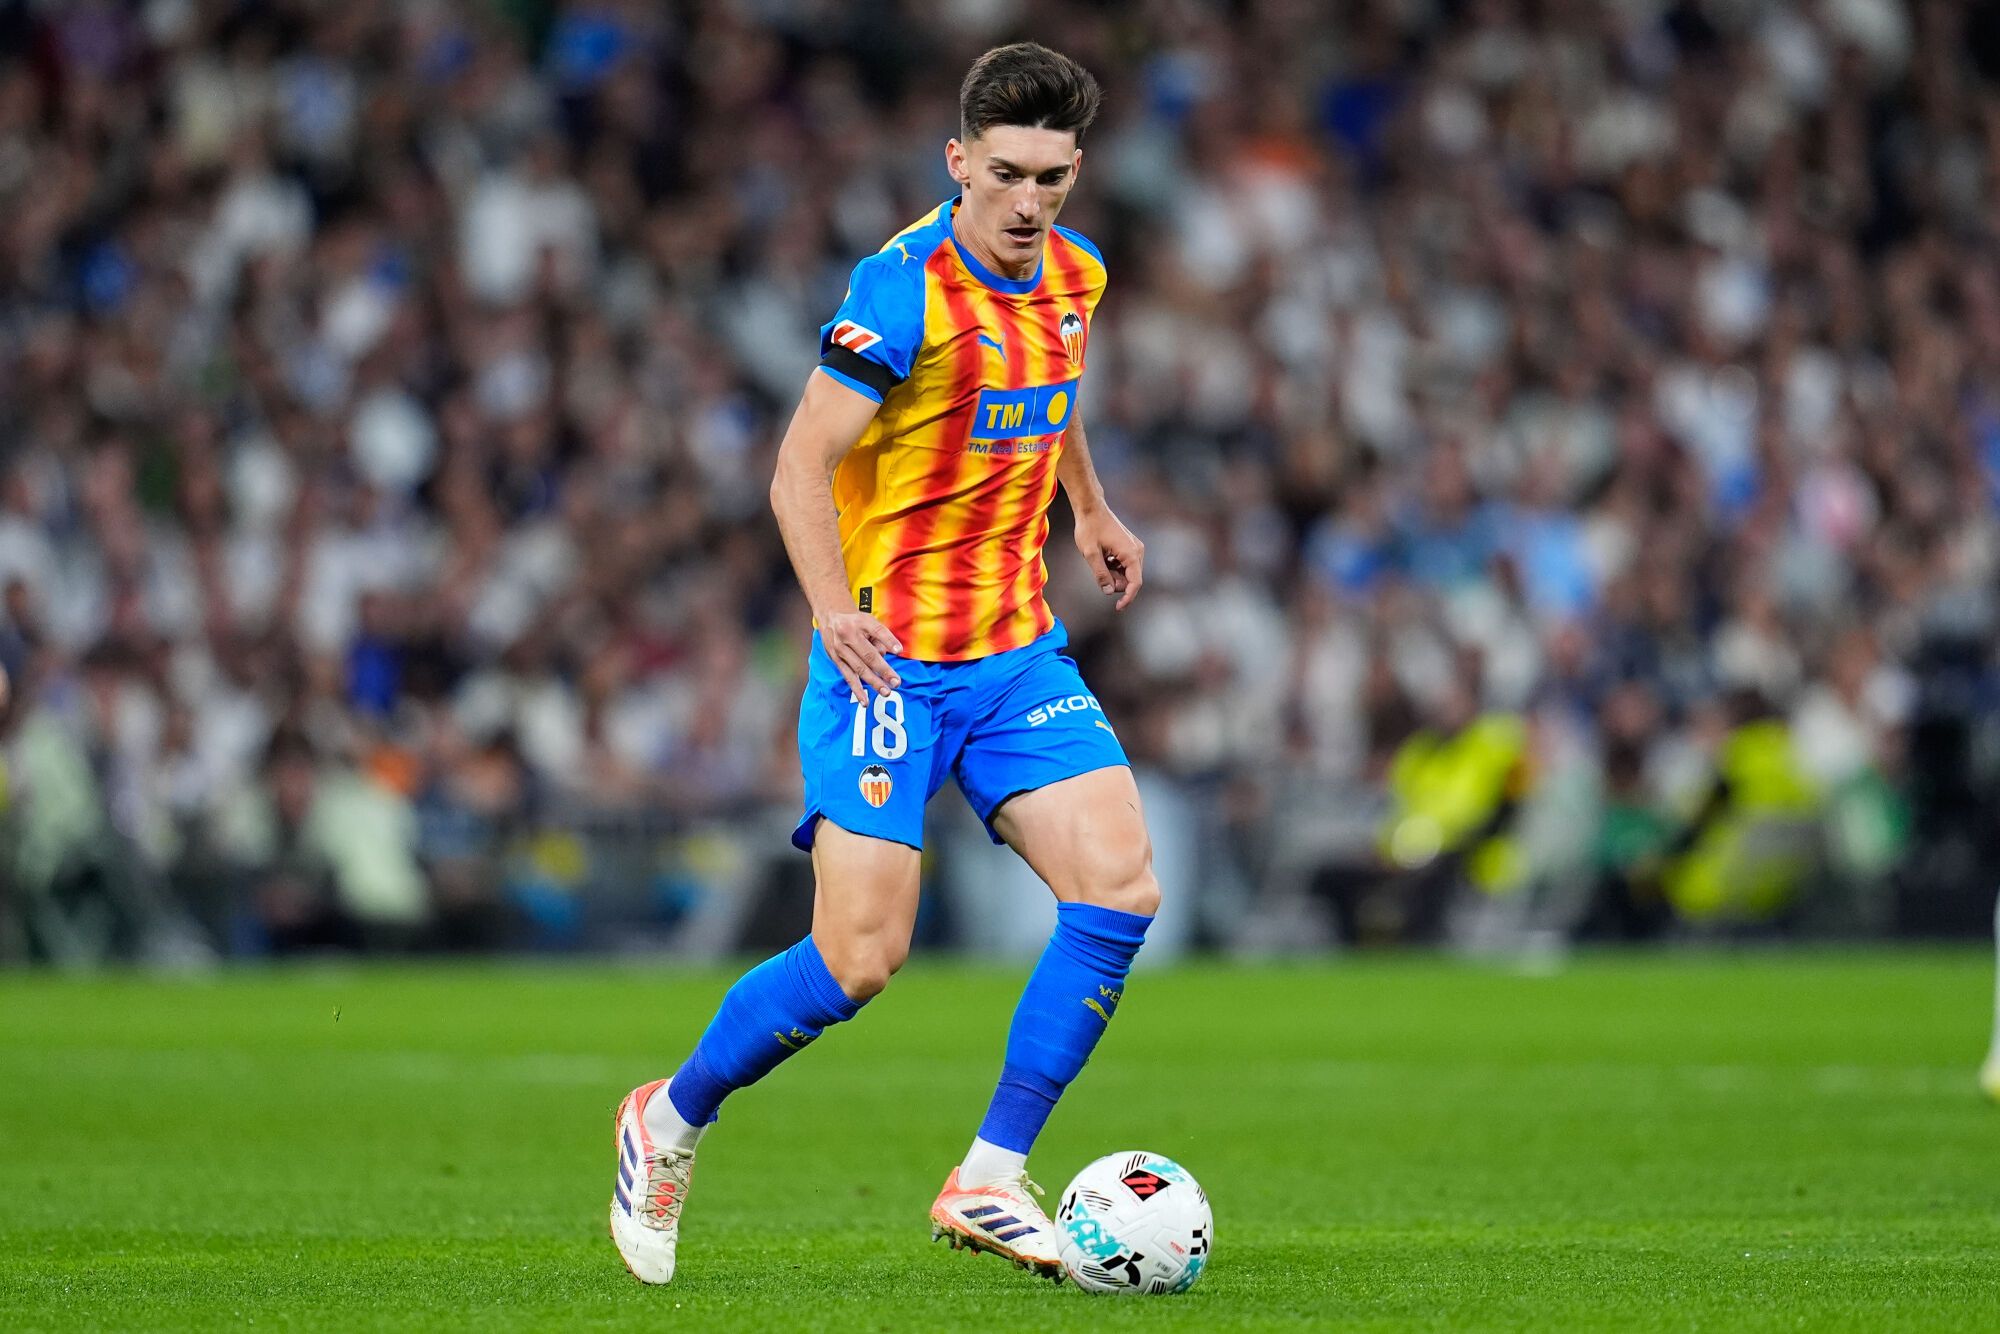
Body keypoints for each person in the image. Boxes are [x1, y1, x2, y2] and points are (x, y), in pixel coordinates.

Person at [609, 42, 1158, 1285]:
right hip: (885, 662)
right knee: (860, 958)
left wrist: (1089, 508)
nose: (1029, 204)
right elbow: (797, 466)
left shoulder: (1076, 275)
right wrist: (831, 610)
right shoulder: (898, 287)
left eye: (1053, 179)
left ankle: (988, 1175)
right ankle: (667, 1116)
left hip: (1014, 650)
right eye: (1007, 174)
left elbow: (1050, 385)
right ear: (957, 161)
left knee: (1119, 890)